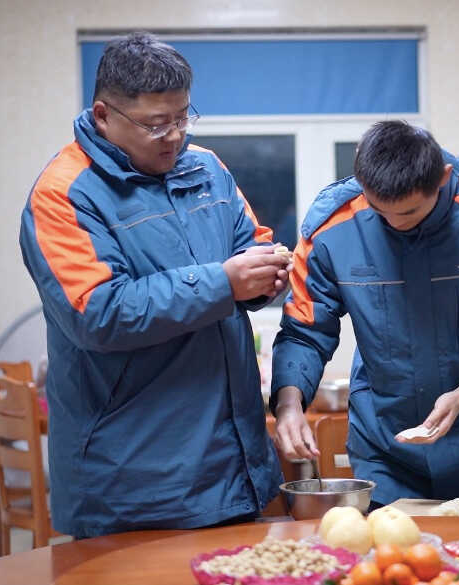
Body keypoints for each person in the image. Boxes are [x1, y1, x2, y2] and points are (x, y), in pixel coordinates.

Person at [19, 32, 289, 538]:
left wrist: (265, 277)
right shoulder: (63, 195)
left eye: (183, 117)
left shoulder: (207, 169)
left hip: (233, 468)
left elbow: (251, 246)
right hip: (132, 484)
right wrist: (223, 283)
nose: (174, 136)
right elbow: (99, 314)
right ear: (104, 116)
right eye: (156, 124)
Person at [270, 121, 459, 507]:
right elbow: (305, 330)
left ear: (443, 178)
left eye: (409, 211)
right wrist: (289, 406)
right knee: (390, 544)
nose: (394, 222)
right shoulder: (331, 226)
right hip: (387, 449)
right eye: (378, 210)